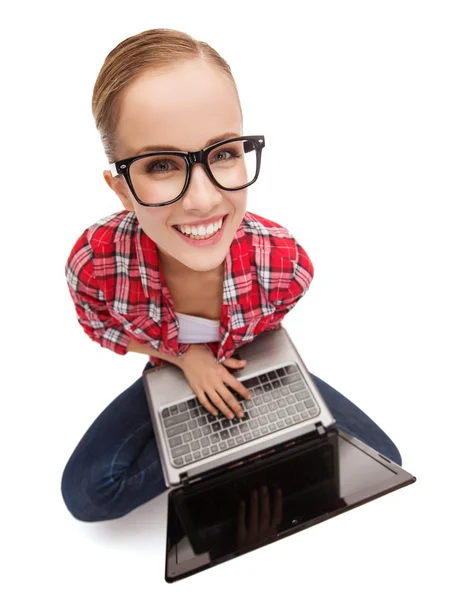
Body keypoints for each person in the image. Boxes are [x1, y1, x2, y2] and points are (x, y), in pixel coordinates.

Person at [61, 28, 402, 523]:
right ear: (121, 187)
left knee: (379, 458)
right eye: (161, 164)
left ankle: (245, 443)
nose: (203, 199)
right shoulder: (96, 263)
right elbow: (102, 328)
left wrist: (264, 401)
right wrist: (185, 357)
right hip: (173, 373)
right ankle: (221, 449)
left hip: (257, 367)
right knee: (89, 493)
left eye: (223, 154)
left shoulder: (284, 260)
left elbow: (271, 324)